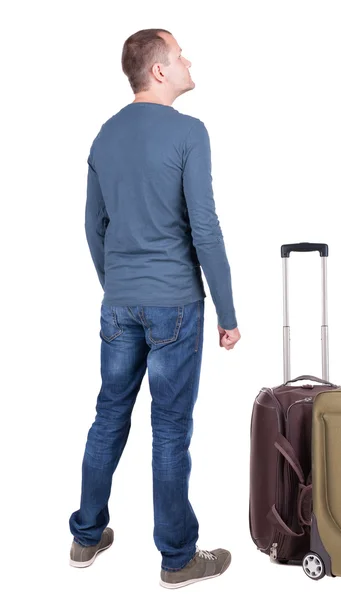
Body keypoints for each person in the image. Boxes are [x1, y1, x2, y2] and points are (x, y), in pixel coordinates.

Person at [68, 28, 241, 589]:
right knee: (169, 430)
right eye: (181, 53)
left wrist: (115, 284)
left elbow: (93, 227)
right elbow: (206, 229)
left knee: (108, 416)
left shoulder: (104, 136)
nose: (189, 59)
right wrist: (228, 311)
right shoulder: (189, 132)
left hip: (119, 304)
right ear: (160, 70)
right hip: (174, 306)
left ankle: (86, 537)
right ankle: (178, 559)